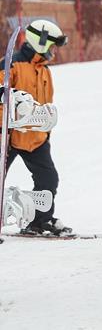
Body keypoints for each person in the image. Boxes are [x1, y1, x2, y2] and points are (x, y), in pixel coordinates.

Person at [1, 19, 70, 236]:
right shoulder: (11, 64)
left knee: (49, 179)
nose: (54, 52)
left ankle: (39, 221)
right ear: (40, 41)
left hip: (37, 138)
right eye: (51, 46)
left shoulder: (45, 70)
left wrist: (46, 130)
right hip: (9, 137)